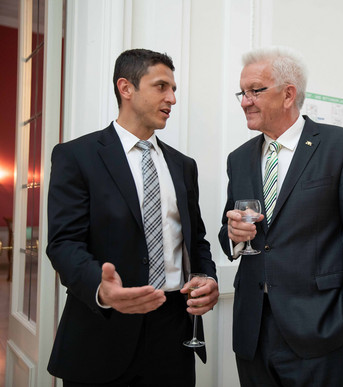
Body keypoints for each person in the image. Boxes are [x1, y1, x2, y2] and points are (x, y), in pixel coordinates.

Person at [46, 48, 218, 386]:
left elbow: (196, 240)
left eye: (174, 90)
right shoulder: (77, 156)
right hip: (103, 329)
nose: (171, 98)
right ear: (126, 88)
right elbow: (64, 243)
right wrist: (100, 287)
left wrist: (208, 278)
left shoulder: (184, 166)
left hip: (173, 332)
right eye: (161, 86)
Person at [218, 46, 343, 387]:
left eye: (255, 91)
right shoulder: (240, 158)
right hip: (252, 331)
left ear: (288, 94)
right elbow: (229, 230)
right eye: (242, 92)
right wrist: (233, 233)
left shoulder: (341, 147)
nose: (245, 101)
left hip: (319, 329)